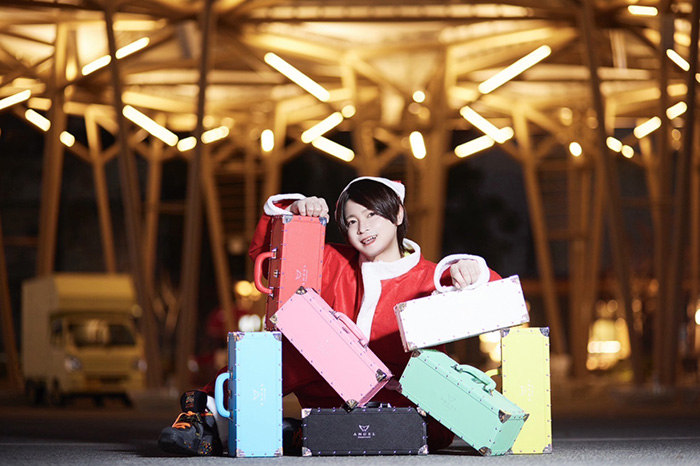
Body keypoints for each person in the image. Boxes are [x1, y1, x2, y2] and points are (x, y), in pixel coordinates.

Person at [158, 176, 501, 456]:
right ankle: (205, 413)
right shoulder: (330, 261)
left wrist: (474, 272)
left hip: (399, 403)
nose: (362, 228)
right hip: (324, 388)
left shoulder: (434, 276)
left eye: (372, 215)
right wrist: (293, 216)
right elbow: (268, 256)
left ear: (397, 215)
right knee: (284, 346)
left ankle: (301, 433)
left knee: (432, 426)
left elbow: (499, 300)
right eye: (351, 221)